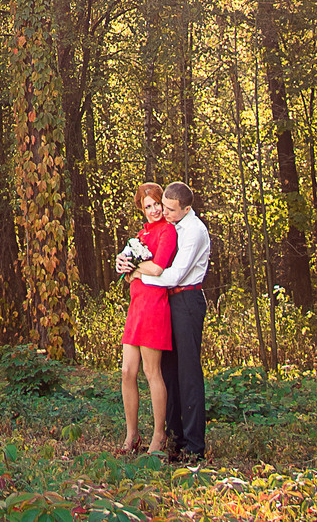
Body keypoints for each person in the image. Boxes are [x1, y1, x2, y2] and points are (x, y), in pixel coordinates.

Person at [135, 181, 211, 462]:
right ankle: (175, 437)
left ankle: (194, 445)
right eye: (162, 206)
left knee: (188, 372)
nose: (163, 212)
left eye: (170, 208)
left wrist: (139, 274)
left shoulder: (193, 231)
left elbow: (176, 274)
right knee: (169, 369)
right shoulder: (170, 226)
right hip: (166, 301)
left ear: (187, 208)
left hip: (187, 301)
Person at [114, 182, 176, 457]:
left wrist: (138, 269)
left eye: (156, 204)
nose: (153, 210)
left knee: (152, 373)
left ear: (163, 203)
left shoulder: (168, 231)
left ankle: (159, 435)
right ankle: (132, 434)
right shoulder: (140, 235)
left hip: (154, 307)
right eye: (147, 206)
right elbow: (128, 270)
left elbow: (159, 267)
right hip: (136, 305)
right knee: (128, 372)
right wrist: (124, 265)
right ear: (142, 209)